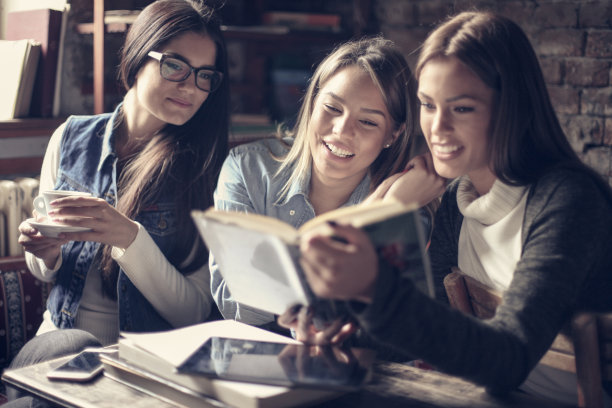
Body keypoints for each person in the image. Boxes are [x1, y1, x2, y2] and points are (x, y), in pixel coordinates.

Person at [286, 11, 612, 406]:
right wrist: (337, 324)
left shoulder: (567, 200)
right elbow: (436, 335)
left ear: (511, 108)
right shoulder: (460, 201)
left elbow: (509, 359)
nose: (437, 128)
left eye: (461, 109)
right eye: (427, 104)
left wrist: (375, 287)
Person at [15, 0, 228, 349]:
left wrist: (131, 239)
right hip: (57, 344)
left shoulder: (208, 170)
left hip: (145, 360)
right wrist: (44, 250)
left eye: (205, 75)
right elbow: (45, 273)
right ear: (138, 56)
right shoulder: (70, 137)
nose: (190, 87)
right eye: (175, 66)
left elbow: (193, 311)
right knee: (71, 346)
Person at [210, 36, 445, 331]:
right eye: (333, 108)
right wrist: (372, 215)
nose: (341, 131)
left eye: (368, 122)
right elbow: (238, 307)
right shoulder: (246, 169)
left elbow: (362, 330)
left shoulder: (406, 206)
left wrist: (387, 212)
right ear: (312, 102)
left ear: (392, 135)